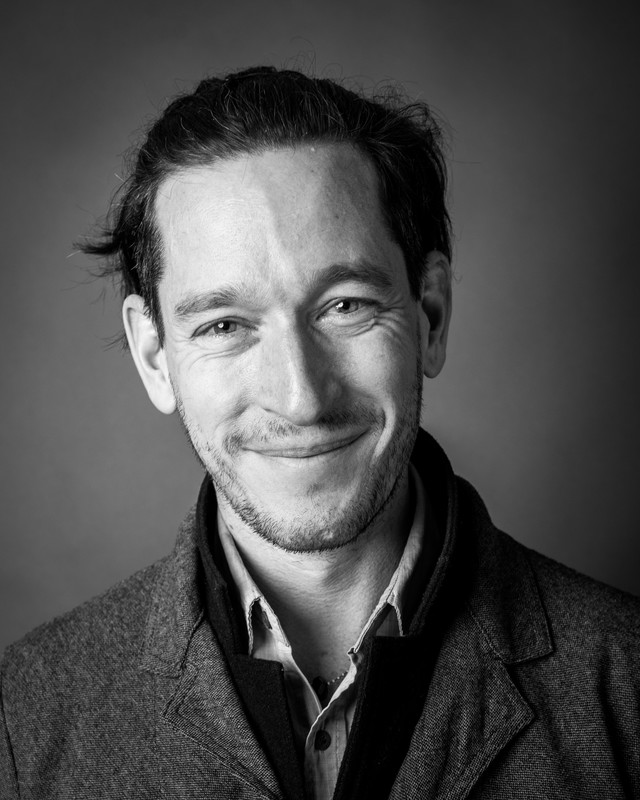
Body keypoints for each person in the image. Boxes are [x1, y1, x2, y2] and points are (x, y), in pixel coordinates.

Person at [1, 66, 638, 800]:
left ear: (430, 316)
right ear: (155, 357)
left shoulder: (626, 687)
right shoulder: (25, 719)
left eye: (346, 306)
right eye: (225, 326)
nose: (300, 398)